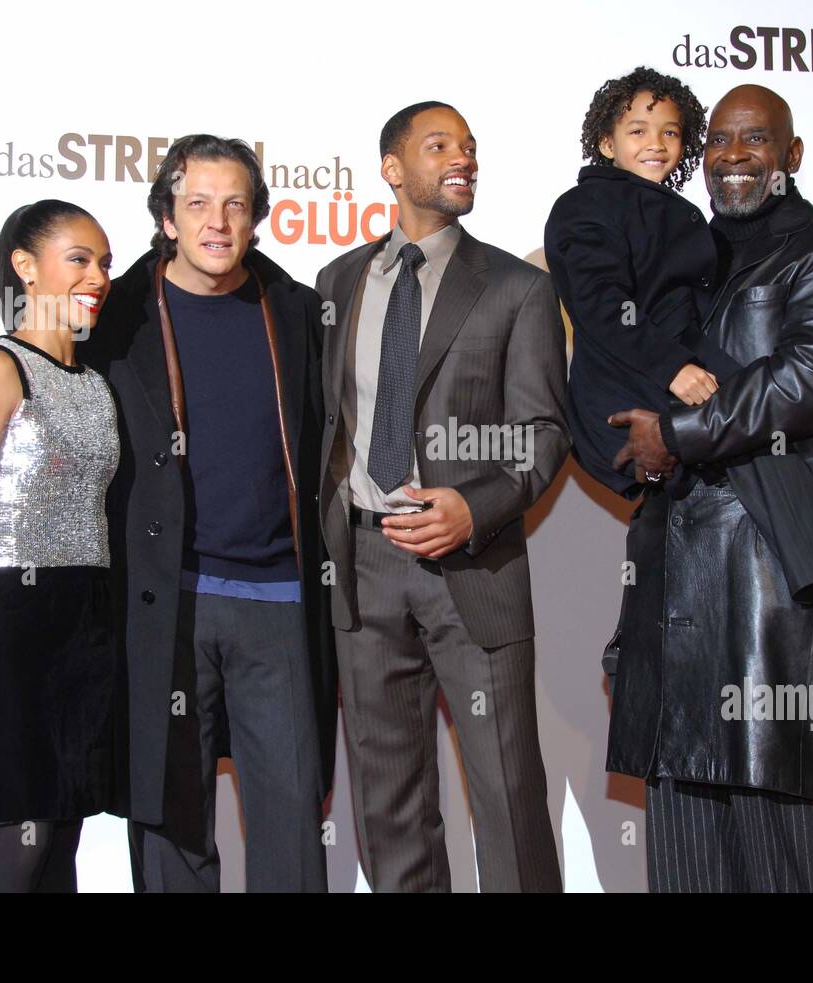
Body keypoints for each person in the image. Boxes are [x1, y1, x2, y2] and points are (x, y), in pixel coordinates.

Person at [608, 84, 813, 892]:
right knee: (685, 863)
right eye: (718, 140)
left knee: (790, 860)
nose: (733, 155)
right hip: (672, 602)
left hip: (770, 601)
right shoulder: (674, 257)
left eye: (756, 139)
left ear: (792, 156)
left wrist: (675, 433)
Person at [545, 65, 813, 682]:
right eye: (637, 130)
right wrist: (673, 369)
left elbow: (809, 379)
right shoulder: (585, 206)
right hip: (624, 393)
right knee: (747, 429)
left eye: (673, 132)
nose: (657, 143)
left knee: (760, 437)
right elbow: (601, 306)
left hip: (676, 396)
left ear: (792, 153)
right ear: (605, 141)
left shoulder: (704, 222)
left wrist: (685, 411)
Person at [315, 102, 569, 892]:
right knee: (388, 801)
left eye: (469, 147)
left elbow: (545, 431)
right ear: (393, 168)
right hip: (362, 563)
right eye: (439, 146)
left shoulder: (518, 288)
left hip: (472, 568)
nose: (463, 158)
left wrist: (476, 506)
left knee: (507, 794)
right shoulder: (339, 280)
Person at [78, 135, 335, 893]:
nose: (217, 221)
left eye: (234, 204)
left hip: (281, 603)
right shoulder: (116, 316)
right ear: (166, 216)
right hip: (169, 605)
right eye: (197, 203)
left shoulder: (296, 311)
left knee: (292, 826)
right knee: (172, 827)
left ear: (257, 216)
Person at [0, 199, 122, 892]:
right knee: (22, 849)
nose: (98, 275)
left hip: (87, 622)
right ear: (25, 266)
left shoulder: (99, 383)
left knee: (62, 839)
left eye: (104, 262)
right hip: (11, 622)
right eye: (79, 258)